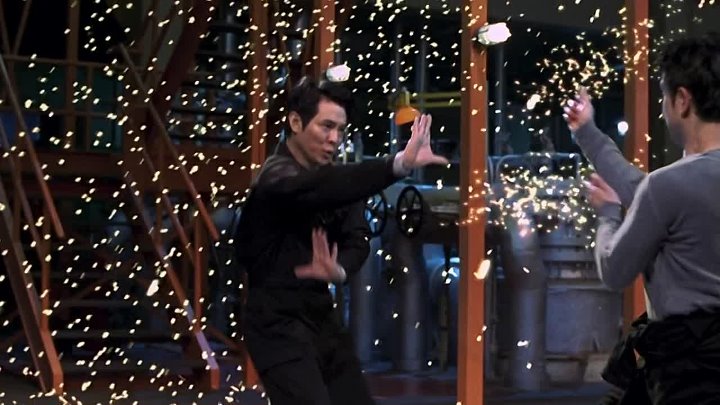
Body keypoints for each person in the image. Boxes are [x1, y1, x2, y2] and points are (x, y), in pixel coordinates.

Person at [235, 76, 448, 405]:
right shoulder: (275, 176)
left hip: (321, 316)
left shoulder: (336, 181)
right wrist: (398, 164)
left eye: (340, 130)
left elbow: (357, 238)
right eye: (326, 127)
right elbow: (318, 187)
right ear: (296, 122)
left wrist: (340, 270)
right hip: (275, 323)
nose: (334, 139)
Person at [564, 33, 720, 404]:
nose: (662, 110)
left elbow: (615, 270)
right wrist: (587, 133)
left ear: (682, 100)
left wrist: (607, 215)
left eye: (664, 97)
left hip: (687, 372)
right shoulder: (671, 186)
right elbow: (644, 191)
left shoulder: (669, 186)